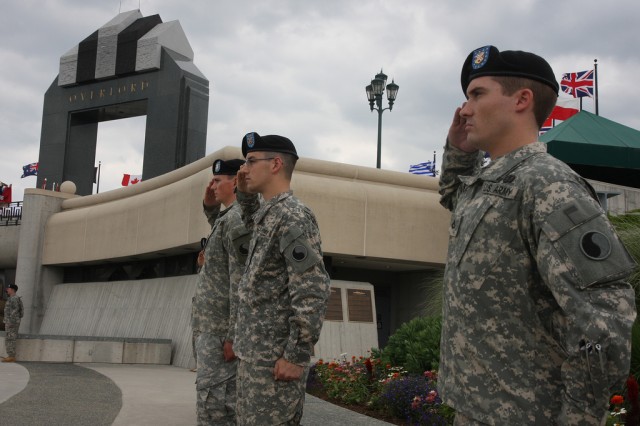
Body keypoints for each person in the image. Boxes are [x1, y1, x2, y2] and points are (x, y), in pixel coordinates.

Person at [438, 45, 637, 424]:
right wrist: (460, 153)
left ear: (522, 100)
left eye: (477, 94)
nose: (465, 110)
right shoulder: (491, 182)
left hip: (527, 414)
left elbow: (606, 317)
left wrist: (578, 417)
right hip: (476, 407)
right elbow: (453, 196)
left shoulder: (549, 184)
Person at [235, 132, 331, 425]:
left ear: (276, 164)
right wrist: (244, 193)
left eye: (251, 161)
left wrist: (296, 355)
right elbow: (249, 221)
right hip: (256, 357)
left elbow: (312, 290)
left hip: (274, 362)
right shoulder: (270, 213)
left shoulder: (293, 215)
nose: (244, 169)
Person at [191, 158, 250, 425]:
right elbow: (221, 228)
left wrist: (232, 336)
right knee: (212, 399)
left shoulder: (237, 219)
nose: (212, 185)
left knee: (216, 404)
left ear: (235, 182)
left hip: (220, 333)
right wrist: (210, 206)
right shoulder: (228, 217)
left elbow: (240, 282)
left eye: (218, 181)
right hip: (211, 330)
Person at [2, 284, 23, 362]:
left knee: (10, 338)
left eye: (8, 288)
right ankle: (10, 356)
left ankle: (11, 356)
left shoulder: (14, 299)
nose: (7, 290)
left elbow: (15, 310)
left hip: (12, 322)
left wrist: (11, 320)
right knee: (9, 338)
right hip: (11, 322)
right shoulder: (13, 298)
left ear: (12, 290)